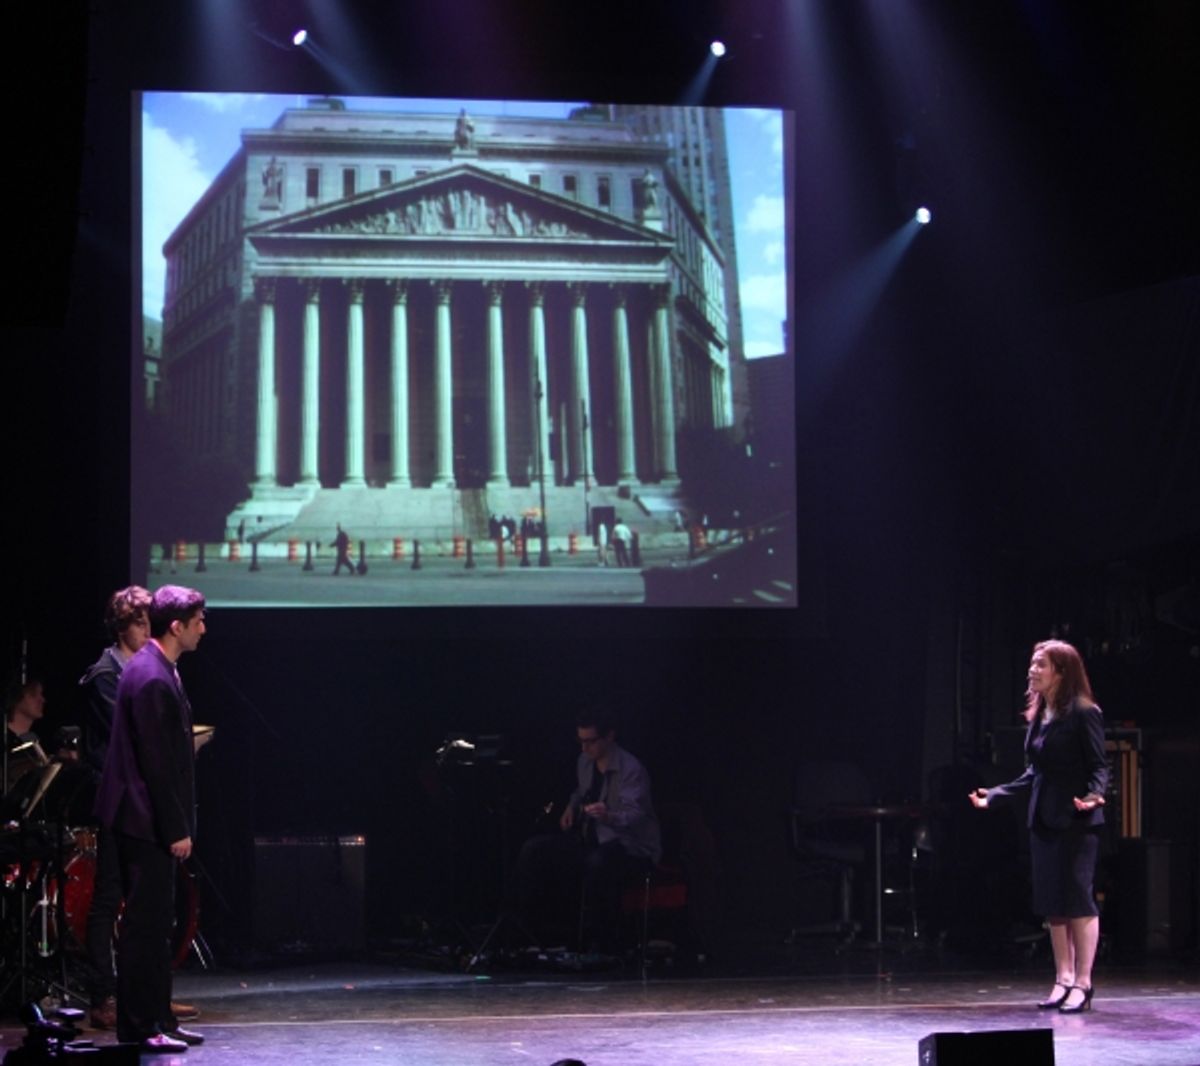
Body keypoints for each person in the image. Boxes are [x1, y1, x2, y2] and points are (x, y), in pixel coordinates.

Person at [78, 587, 200, 1032]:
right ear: (178, 625)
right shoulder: (147, 675)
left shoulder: (156, 669)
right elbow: (155, 761)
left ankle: (157, 1017)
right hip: (141, 816)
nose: (204, 628)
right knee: (142, 923)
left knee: (157, 922)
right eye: (199, 620)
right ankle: (139, 1021)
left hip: (147, 814)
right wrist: (176, 826)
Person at [969, 639, 1108, 1014]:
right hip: (1043, 819)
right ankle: (1062, 979)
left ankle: (1083, 982)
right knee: (1053, 904)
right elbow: (1036, 773)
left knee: (1078, 899)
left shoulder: (1083, 712)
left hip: (1076, 819)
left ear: (1061, 672)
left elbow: (1099, 765)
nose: (1032, 670)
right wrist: (996, 794)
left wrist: (1095, 794)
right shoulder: (1041, 713)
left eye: (1040, 665)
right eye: (1032, 664)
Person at [513, 712, 660, 954]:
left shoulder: (631, 769)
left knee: (598, 862)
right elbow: (580, 791)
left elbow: (636, 815)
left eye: (591, 741)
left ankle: (598, 942)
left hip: (629, 845)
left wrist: (609, 815)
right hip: (592, 839)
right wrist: (571, 807)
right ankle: (534, 934)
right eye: (581, 741)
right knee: (535, 850)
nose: (585, 747)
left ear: (609, 737)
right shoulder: (584, 762)